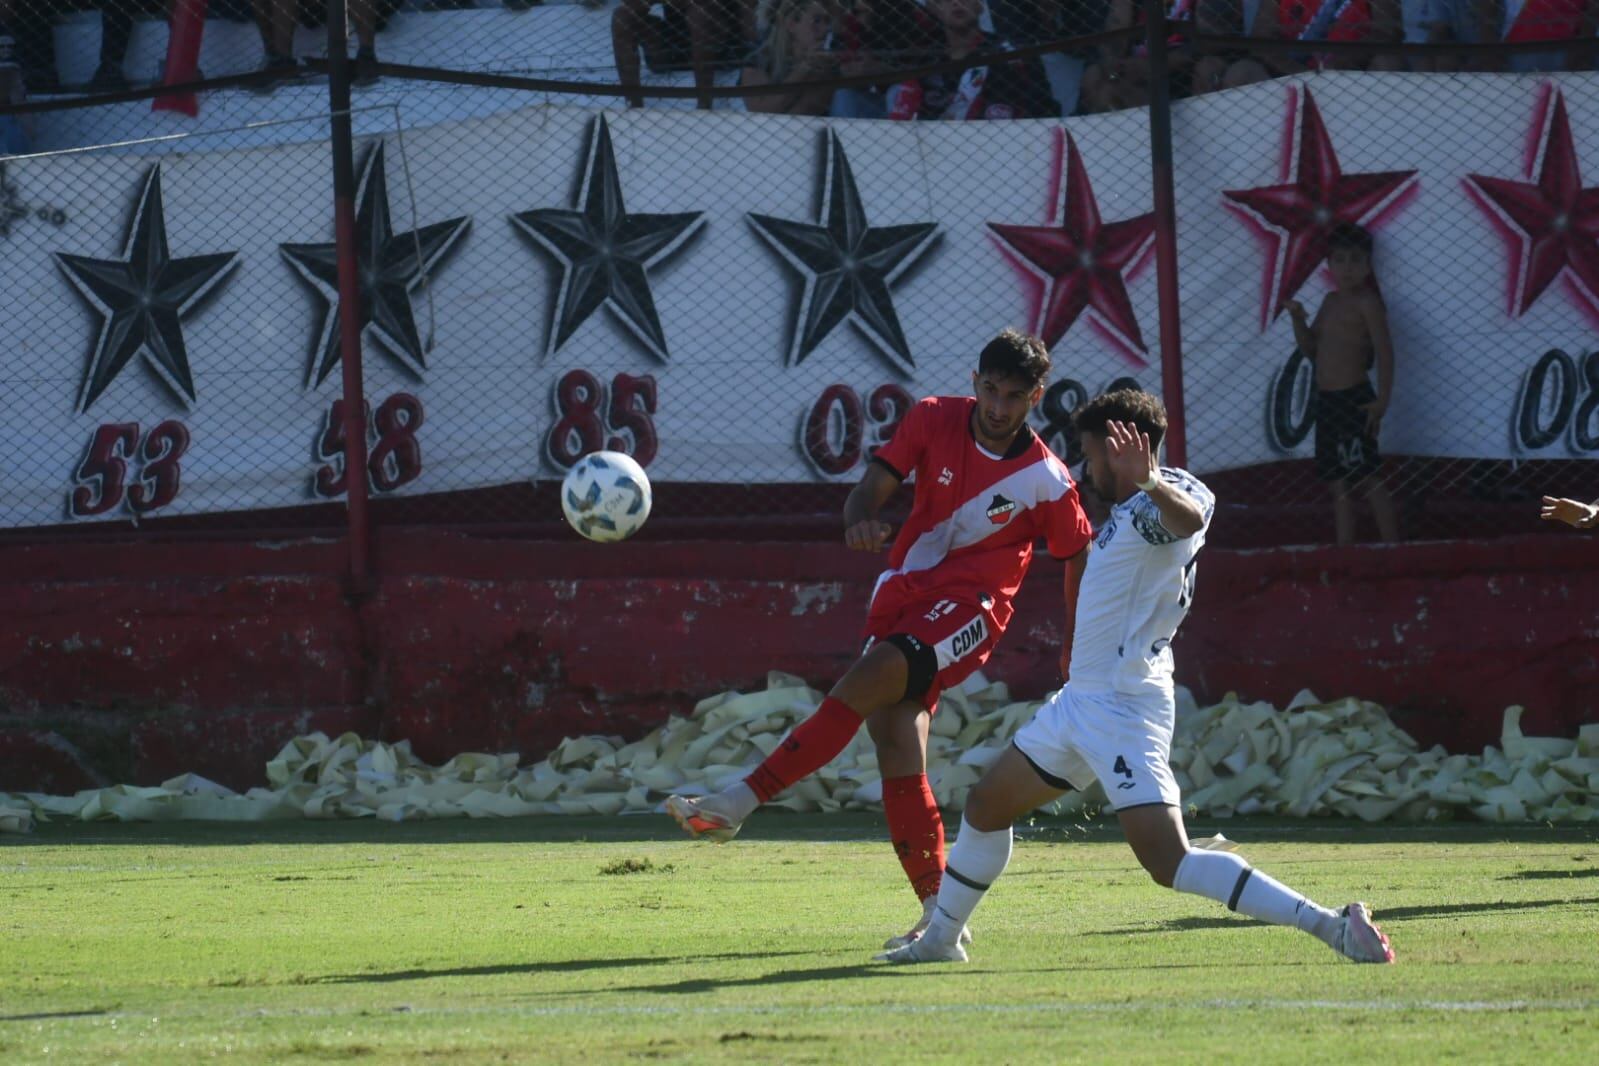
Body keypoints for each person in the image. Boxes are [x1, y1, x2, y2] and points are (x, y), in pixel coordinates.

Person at [878, 390, 1396, 967]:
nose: (1085, 467)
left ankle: (1333, 927)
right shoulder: (1127, 514)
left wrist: (1149, 482)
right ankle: (941, 939)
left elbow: (1189, 520)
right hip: (1080, 704)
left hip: (1124, 710)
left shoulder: (1165, 501)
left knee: (1169, 862)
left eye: (1093, 454)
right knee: (985, 806)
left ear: (1129, 450)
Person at [667, 329, 1094, 948]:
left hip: (974, 608)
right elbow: (871, 487)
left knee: (868, 681)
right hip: (903, 593)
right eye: (992, 390)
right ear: (974, 381)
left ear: (1037, 398)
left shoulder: (1048, 481)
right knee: (895, 735)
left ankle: (740, 800)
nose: (999, 406)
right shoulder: (931, 419)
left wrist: (1074, 643)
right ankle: (938, 912)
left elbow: (1078, 555)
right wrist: (859, 519)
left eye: (1015, 396)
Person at [1286, 223, 1400, 546]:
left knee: (1368, 476)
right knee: (1337, 482)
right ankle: (1344, 552)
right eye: (1340, 260)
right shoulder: (1330, 301)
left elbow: (1386, 353)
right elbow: (1311, 349)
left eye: (1355, 260)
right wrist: (1297, 320)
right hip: (1328, 402)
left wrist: (1382, 401)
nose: (1347, 268)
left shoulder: (1368, 303)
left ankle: (1394, 547)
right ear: (1329, 264)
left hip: (1355, 400)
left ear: (1367, 265)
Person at [884, 0, 1059, 120]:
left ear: (980, 6)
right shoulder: (925, 62)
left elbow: (1042, 107)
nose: (956, 2)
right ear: (937, 10)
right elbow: (902, 121)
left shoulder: (1009, 55)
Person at [613, 0, 756, 109]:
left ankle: (704, 105)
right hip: (673, 46)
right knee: (621, 17)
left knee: (700, 13)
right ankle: (633, 105)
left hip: (721, 48)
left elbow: (749, 24)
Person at [739, 0, 836, 114]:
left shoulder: (826, 64)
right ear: (791, 24)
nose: (825, 29)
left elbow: (806, 110)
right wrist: (804, 69)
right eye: (817, 21)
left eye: (827, 21)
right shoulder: (758, 60)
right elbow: (761, 112)